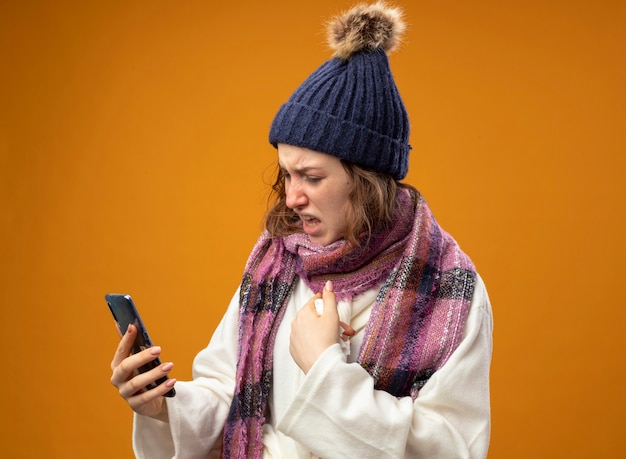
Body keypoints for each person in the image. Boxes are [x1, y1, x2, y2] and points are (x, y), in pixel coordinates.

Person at [110, 2, 493, 458]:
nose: (292, 198)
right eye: (286, 175)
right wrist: (163, 407)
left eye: (311, 177)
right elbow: (228, 397)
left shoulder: (450, 290)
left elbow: (452, 449)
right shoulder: (277, 263)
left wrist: (324, 367)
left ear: (367, 180)